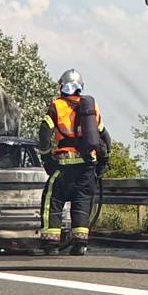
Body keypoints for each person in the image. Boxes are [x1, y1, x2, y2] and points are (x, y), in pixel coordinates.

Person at [38, 69, 103, 255]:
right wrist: (102, 162)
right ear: (80, 87)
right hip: (87, 167)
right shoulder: (92, 107)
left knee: (53, 201)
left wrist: (45, 156)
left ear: (62, 86)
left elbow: (44, 134)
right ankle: (80, 245)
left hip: (65, 165)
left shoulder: (57, 105)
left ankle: (51, 245)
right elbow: (104, 136)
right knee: (82, 202)